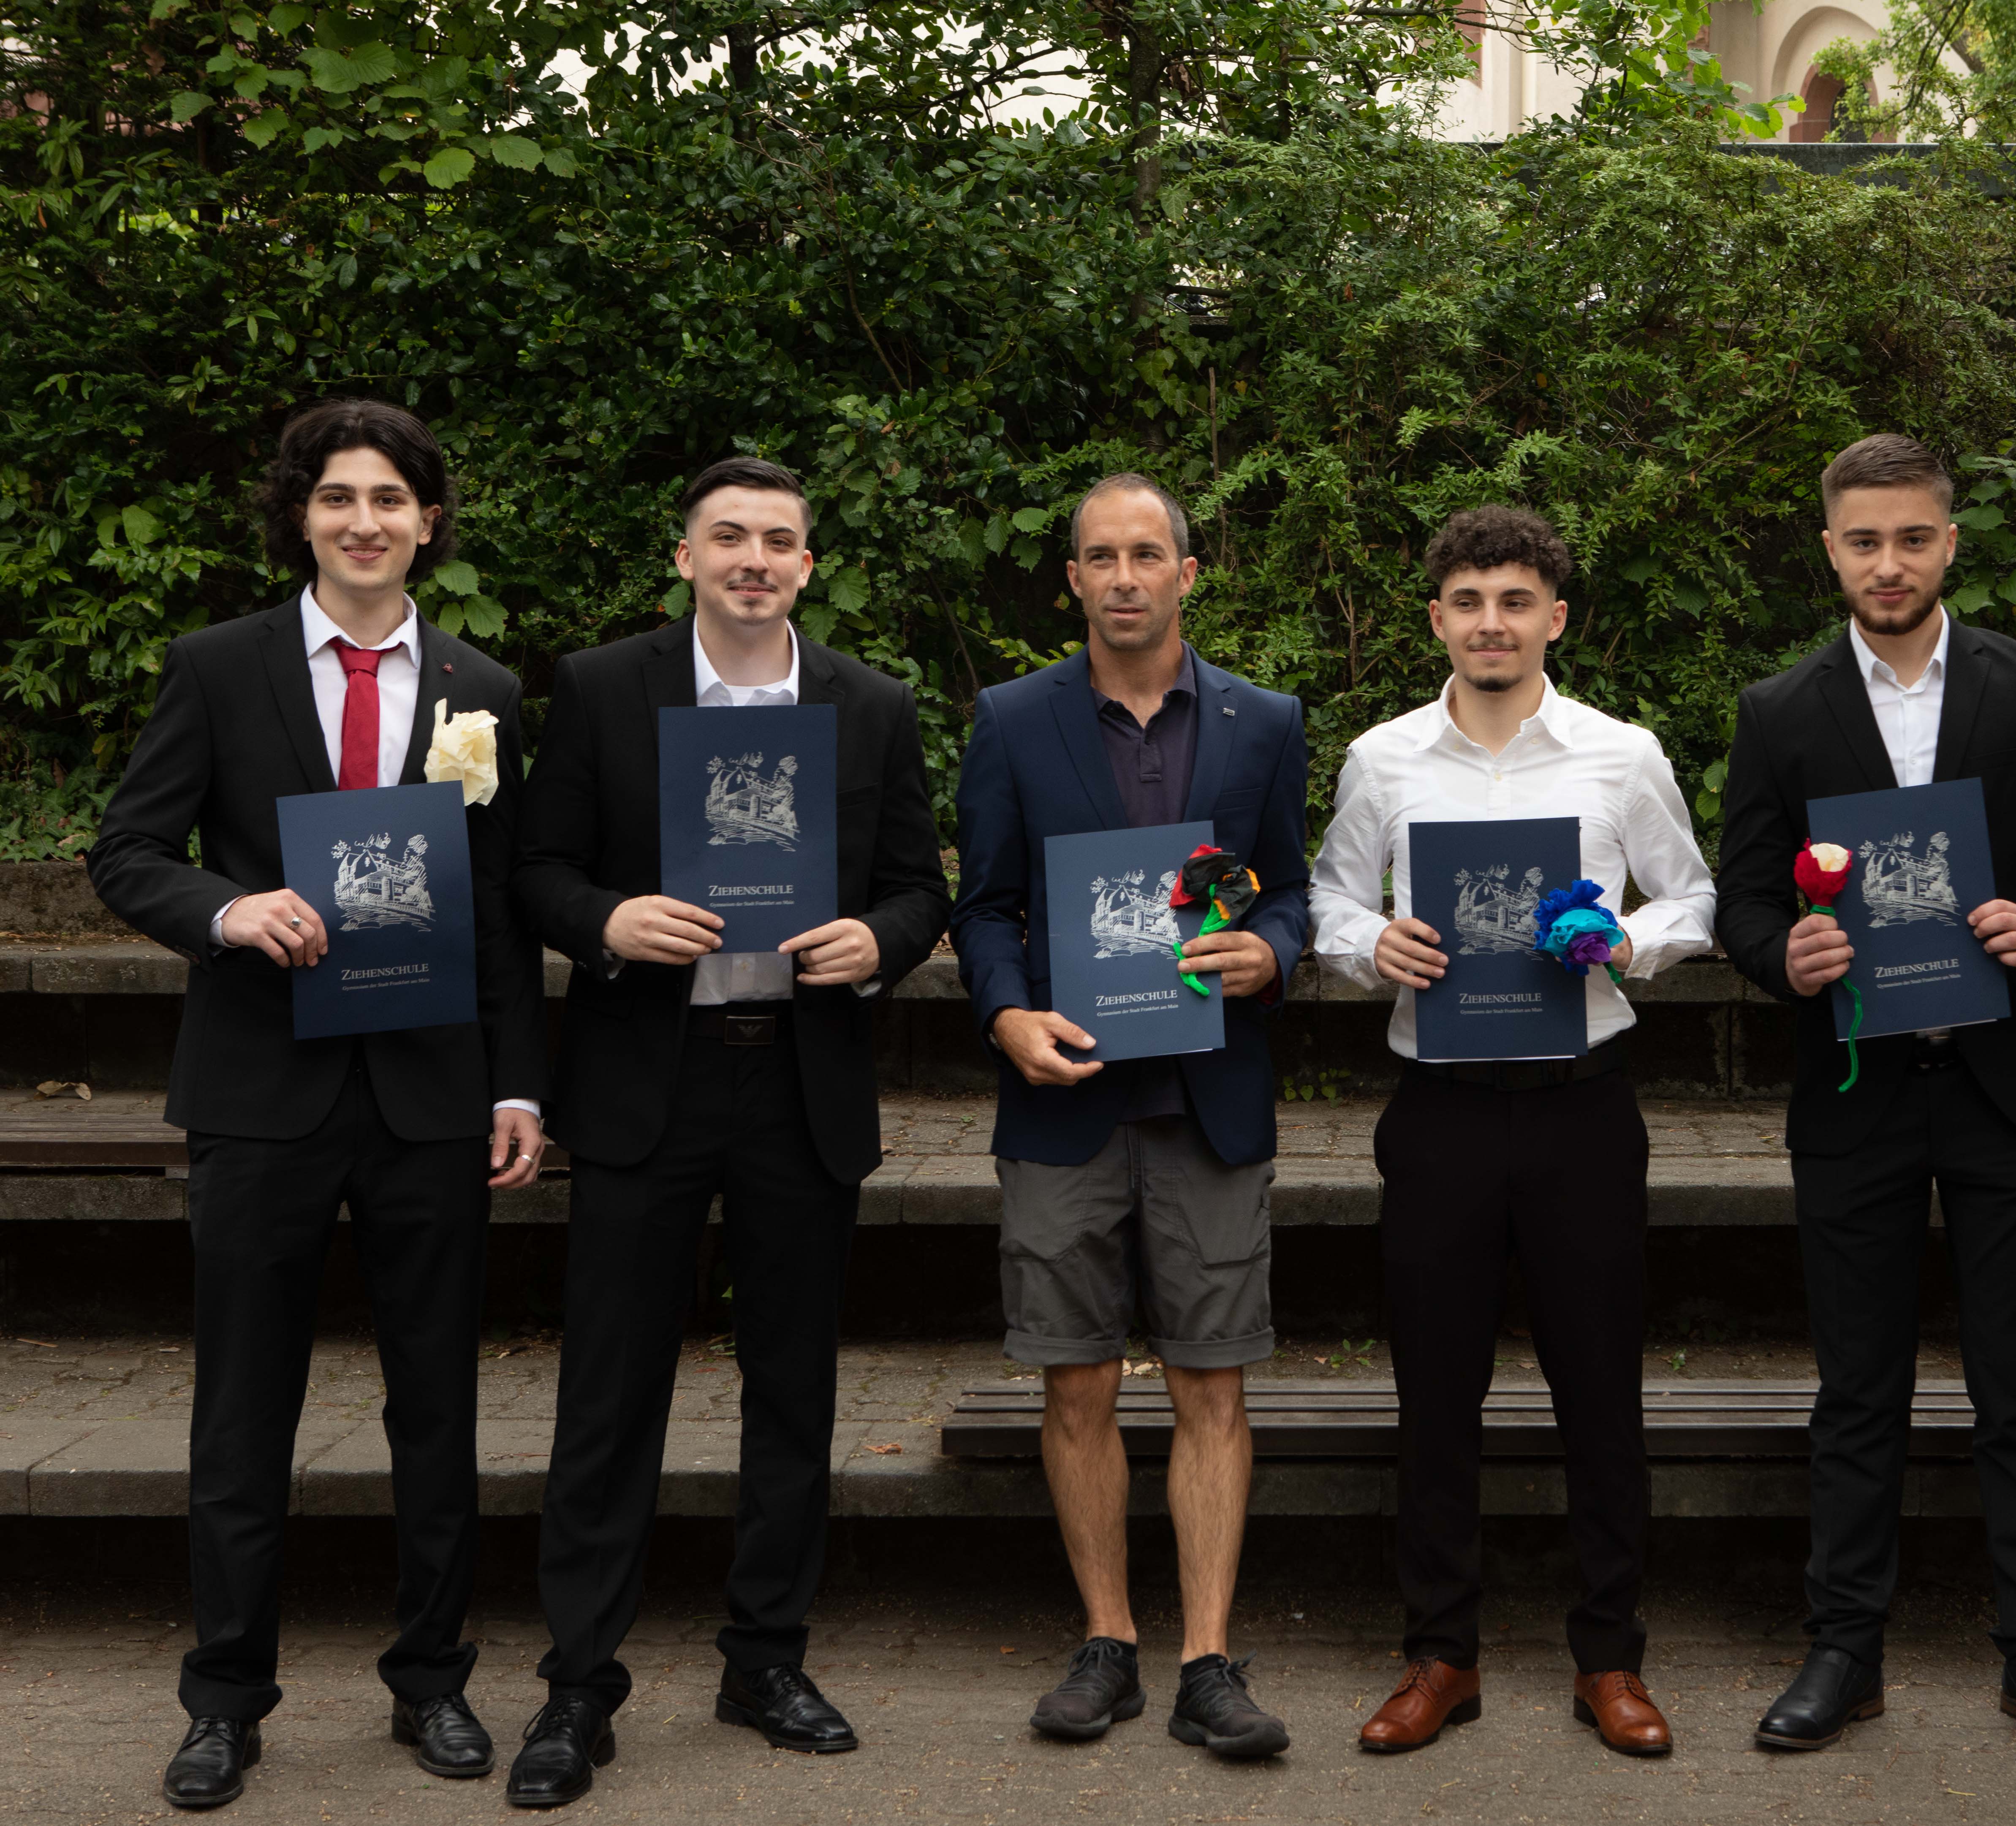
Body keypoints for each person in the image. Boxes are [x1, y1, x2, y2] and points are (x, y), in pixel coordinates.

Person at [89, 399, 547, 1809]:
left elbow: (499, 909)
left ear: (428, 521)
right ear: (302, 514)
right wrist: (227, 912)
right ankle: (225, 1701)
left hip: (429, 1098)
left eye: (391, 499)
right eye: (339, 497)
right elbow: (128, 851)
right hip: (262, 1092)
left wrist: (518, 1080)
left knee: (437, 1410)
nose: (365, 521)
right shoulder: (216, 667)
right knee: (243, 1412)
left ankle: (434, 1682)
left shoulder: (482, 688)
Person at [503, 457, 951, 1806]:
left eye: (780, 540)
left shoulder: (872, 704)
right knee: (609, 1394)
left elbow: (918, 887)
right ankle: (580, 1684)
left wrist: (878, 941)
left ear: (808, 565)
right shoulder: (602, 688)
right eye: (730, 536)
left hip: (799, 1084)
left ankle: (766, 1660)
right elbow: (534, 868)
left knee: (793, 1391)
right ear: (686, 556)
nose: (755, 558)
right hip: (648, 1079)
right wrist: (606, 920)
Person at [1715, 433, 2016, 1758]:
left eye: (1913, 537)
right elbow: (1744, 900)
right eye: (1865, 541)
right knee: (1857, 1389)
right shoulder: (1779, 711)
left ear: (1951, 542)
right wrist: (1784, 955)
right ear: (1831, 550)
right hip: (1857, 1087)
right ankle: (1845, 1648)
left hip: (2006, 1083)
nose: (1890, 562)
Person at [1310, 506, 1715, 1758]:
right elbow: (1329, 899)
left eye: (1517, 601)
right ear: (1437, 617)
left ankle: (1611, 1659)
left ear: (1556, 618)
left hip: (1580, 1108)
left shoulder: (1620, 755)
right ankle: (1442, 1654)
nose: (1493, 623)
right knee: (1436, 1394)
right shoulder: (1382, 759)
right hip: (1439, 1112)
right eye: (1470, 601)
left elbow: (1695, 896)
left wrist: (1627, 940)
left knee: (1601, 1391)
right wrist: (1370, 944)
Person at [948, 472, 1310, 1761]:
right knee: (1077, 1378)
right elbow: (984, 907)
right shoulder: (1013, 719)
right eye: (1099, 557)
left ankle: (1210, 1659)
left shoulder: (1265, 724)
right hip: (1069, 1099)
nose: (1123, 577)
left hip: (1212, 1099)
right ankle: (1107, 1641)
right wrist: (1006, 1015)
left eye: (1146, 554)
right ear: (1074, 581)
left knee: (1215, 1380)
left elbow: (1290, 892)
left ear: (1187, 574)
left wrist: (1272, 952)